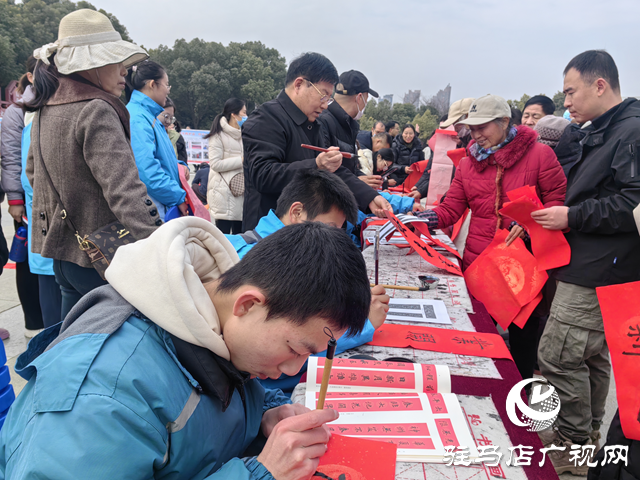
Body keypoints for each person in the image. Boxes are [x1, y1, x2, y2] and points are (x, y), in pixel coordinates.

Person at [0, 218, 371, 479]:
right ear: (248, 304)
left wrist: (261, 419)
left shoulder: (215, 325)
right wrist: (261, 474)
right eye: (296, 349)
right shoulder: (105, 393)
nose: (294, 370)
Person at [532, 50, 640, 476]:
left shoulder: (630, 132)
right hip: (594, 261)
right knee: (590, 358)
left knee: (558, 356)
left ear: (600, 85)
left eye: (571, 92)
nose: (567, 104)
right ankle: (588, 439)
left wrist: (571, 216)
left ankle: (571, 447)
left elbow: (633, 204)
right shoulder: (601, 129)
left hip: (601, 268)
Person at [415, 94, 566, 382]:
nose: (476, 135)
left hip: (524, 266)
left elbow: (558, 203)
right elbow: (450, 210)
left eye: (482, 127)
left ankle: (520, 402)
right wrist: (418, 219)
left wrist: (533, 222)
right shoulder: (470, 162)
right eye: (471, 129)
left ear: (505, 122)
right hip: (480, 263)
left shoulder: (540, 156)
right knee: (478, 336)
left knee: (523, 342)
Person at [25, 9, 160, 320]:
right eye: (118, 62)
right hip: (103, 258)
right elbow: (125, 192)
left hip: (63, 256)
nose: (125, 71)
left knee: (69, 350)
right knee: (109, 357)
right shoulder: (96, 109)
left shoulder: (46, 108)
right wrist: (161, 244)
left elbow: (34, 173)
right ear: (92, 63)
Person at [226, 169, 390, 393]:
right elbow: (270, 365)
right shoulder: (266, 265)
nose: (334, 242)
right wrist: (361, 327)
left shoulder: (240, 244)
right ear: (297, 212)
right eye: (328, 229)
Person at [241, 52, 391, 231]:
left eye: (329, 97)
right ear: (299, 84)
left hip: (304, 231)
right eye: (323, 94)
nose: (326, 104)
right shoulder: (266, 118)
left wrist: (370, 197)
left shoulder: (314, 125)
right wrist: (316, 165)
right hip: (269, 232)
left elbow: (335, 171)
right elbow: (263, 175)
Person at [0, 56, 47, 336]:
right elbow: (11, 158)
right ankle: (33, 321)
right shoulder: (19, 112)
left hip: (49, 200)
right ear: (30, 76)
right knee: (26, 260)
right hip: (27, 202)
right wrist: (15, 199)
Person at [126, 60, 188, 221]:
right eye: (166, 85)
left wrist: (178, 166)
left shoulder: (148, 116)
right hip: (153, 209)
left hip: (159, 204)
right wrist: (177, 197)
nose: (168, 91)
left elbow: (159, 158)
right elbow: (146, 170)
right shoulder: (138, 118)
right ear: (152, 84)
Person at [318, 70, 381, 188]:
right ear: (359, 98)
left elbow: (350, 170)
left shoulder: (349, 125)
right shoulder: (323, 121)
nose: (365, 104)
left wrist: (367, 182)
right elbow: (324, 171)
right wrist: (357, 182)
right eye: (366, 100)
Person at [409, 98, 475, 200]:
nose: (455, 127)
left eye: (456, 123)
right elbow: (432, 170)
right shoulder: (448, 144)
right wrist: (419, 188)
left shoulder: (475, 146)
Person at [203, 98, 247, 234]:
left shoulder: (245, 134)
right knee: (224, 238)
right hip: (223, 192)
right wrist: (241, 160)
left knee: (241, 237)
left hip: (241, 191)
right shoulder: (218, 135)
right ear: (234, 114)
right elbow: (215, 164)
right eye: (244, 113)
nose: (246, 116)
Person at [160, 97, 188, 162]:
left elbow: (183, 162)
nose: (169, 122)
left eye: (171, 118)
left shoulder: (177, 137)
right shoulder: (148, 133)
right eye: (166, 116)